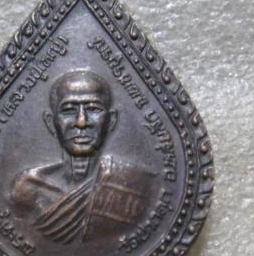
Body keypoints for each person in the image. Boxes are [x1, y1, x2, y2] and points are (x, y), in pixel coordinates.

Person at [12, 71, 155, 244]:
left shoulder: (134, 183)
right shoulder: (29, 186)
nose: (81, 122)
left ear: (111, 121)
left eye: (93, 109)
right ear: (51, 122)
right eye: (68, 110)